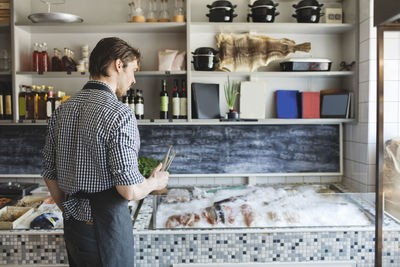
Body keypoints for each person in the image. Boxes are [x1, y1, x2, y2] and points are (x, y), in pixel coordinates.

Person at [42, 37, 169, 267]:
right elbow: (129, 190)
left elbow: (50, 174)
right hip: (106, 229)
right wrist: (154, 182)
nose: (133, 80)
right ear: (118, 65)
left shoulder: (62, 110)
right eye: (133, 70)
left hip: (74, 228)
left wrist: (73, 210)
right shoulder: (119, 114)